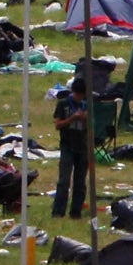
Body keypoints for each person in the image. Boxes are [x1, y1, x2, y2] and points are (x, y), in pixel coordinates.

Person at [49, 76, 94, 219]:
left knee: (80, 183)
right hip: (68, 145)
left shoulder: (87, 105)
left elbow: (92, 128)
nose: (79, 98)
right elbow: (58, 125)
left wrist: (86, 120)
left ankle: (76, 212)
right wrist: (72, 118)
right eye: (78, 95)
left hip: (83, 146)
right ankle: (58, 211)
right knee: (64, 181)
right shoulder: (63, 104)